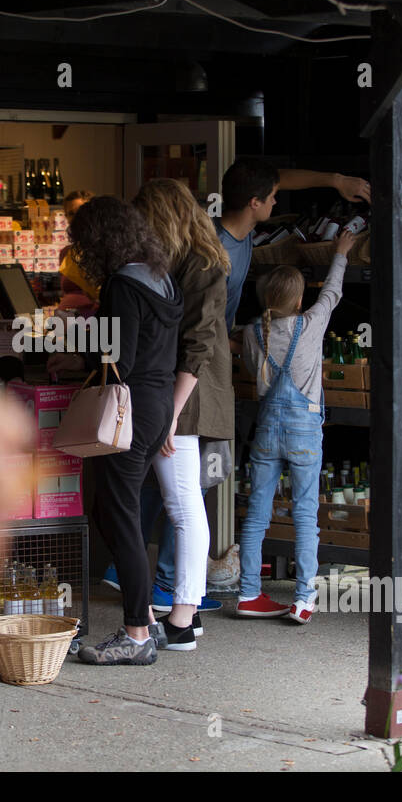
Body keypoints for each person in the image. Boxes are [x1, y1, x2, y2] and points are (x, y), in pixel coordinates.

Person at [47, 197, 182, 665]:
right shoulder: (160, 276)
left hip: (127, 409)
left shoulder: (124, 285)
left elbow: (118, 361)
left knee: (120, 517)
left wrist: (75, 356)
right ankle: (143, 615)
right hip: (157, 405)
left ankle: (137, 635)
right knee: (110, 511)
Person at [125, 178, 233, 650]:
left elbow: (198, 345)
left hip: (184, 396)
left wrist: (170, 413)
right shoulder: (196, 260)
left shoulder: (201, 265)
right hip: (182, 394)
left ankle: (183, 619)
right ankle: (185, 613)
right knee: (183, 502)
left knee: (182, 503)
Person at [236, 229, 357, 622]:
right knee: (305, 514)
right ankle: (303, 598)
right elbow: (333, 293)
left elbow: (251, 372)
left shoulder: (253, 333)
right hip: (304, 430)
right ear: (299, 300)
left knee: (256, 514)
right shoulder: (312, 323)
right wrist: (340, 252)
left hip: (267, 430)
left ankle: (249, 593)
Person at [218, 158, 370, 336]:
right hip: (209, 351)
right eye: (272, 196)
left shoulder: (240, 231)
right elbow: (200, 327)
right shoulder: (216, 253)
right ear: (255, 203)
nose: (275, 202)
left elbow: (280, 178)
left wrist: (338, 181)